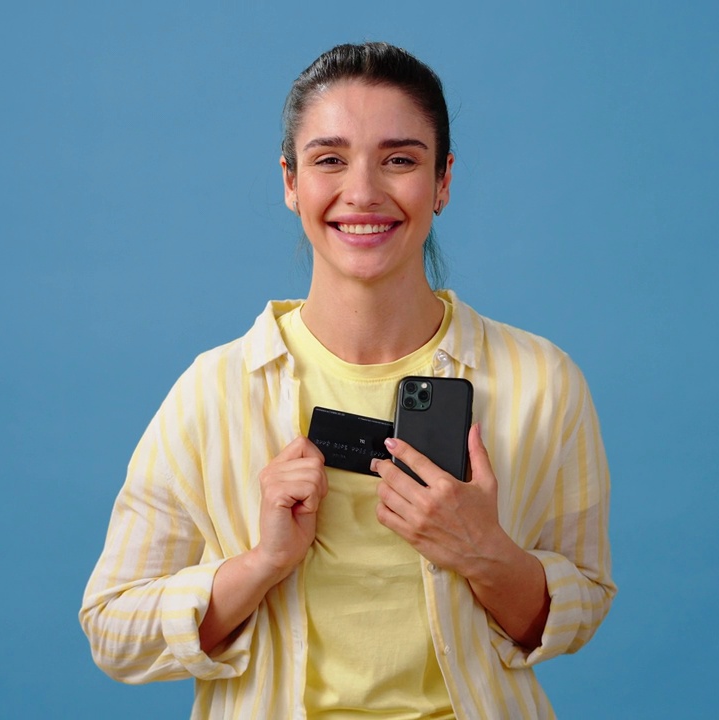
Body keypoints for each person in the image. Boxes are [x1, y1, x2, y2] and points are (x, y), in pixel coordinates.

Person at [80, 42, 614, 719]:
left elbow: (585, 602)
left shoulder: (543, 383)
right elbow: (113, 629)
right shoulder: (212, 392)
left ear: (443, 180)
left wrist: (486, 554)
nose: (362, 192)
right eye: (329, 159)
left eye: (400, 159)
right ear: (290, 182)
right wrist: (262, 563)